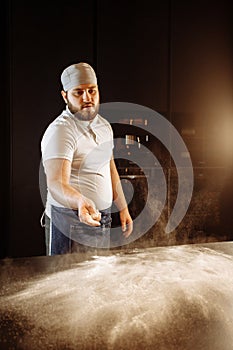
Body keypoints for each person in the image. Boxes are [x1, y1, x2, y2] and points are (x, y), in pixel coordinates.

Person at [41, 62, 133, 255]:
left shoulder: (104, 126)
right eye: (78, 92)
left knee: (95, 282)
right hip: (70, 220)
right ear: (65, 96)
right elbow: (56, 183)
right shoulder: (61, 131)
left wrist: (123, 207)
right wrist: (80, 201)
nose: (87, 98)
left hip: (101, 218)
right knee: (65, 281)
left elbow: (109, 167)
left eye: (92, 91)